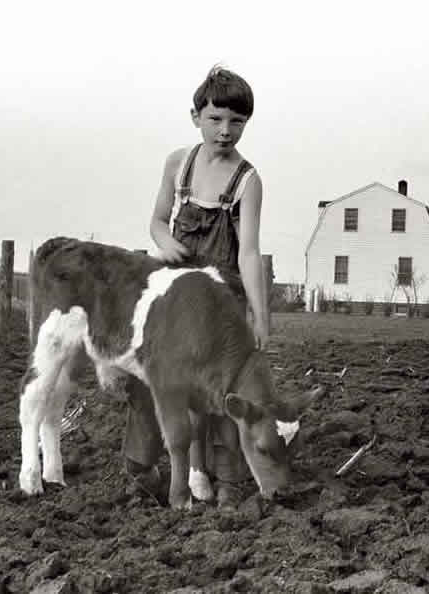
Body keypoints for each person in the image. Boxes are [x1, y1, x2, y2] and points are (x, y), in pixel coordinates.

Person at [122, 65, 271, 508]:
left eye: (237, 122)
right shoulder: (178, 164)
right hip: (175, 296)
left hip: (222, 301)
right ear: (196, 117)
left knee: (224, 392)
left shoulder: (248, 181)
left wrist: (259, 317)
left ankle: (227, 483)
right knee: (155, 379)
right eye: (216, 119)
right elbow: (156, 220)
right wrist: (164, 241)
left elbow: (249, 252)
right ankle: (143, 468)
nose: (226, 131)